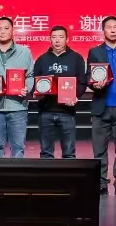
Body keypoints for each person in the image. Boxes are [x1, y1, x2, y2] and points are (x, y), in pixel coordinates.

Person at [86, 15, 116, 196]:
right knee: (99, 149)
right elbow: (89, 76)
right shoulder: (94, 52)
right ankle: (100, 182)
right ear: (103, 30)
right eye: (109, 27)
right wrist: (94, 84)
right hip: (101, 106)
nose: (113, 30)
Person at [0, 16, 34, 158]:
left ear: (13, 30)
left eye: (6, 28)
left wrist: (27, 88)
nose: (2, 31)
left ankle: (16, 172)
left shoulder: (25, 52)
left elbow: (30, 76)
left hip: (18, 107)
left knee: (18, 149)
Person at [32, 25, 86, 159]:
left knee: (69, 153)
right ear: (50, 39)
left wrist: (75, 96)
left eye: (61, 37)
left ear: (67, 39)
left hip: (67, 112)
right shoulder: (42, 59)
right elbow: (35, 82)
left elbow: (82, 82)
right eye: (54, 37)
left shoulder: (76, 58)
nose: (57, 40)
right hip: (46, 111)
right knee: (46, 154)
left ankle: (68, 174)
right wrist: (36, 92)